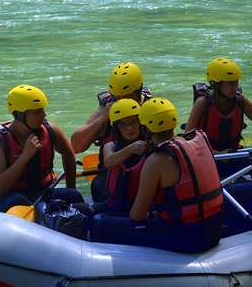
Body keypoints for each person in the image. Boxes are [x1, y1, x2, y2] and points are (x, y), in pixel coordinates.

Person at [89, 98, 224, 253]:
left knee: (99, 224)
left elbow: (137, 216)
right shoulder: (196, 141)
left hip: (188, 238)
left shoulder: (156, 160)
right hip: (214, 230)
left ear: (145, 128)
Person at [0, 84, 83, 212]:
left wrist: (71, 187)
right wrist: (25, 157)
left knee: (73, 196)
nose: (43, 115)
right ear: (19, 115)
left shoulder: (50, 129)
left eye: (42, 109)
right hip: (10, 197)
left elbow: (68, 154)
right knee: (19, 202)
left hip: (43, 192)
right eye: (36, 112)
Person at [70, 62, 152, 202]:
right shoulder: (106, 108)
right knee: (98, 185)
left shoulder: (151, 107)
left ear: (139, 92)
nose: (121, 101)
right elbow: (76, 146)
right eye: (117, 97)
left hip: (147, 172)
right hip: (112, 174)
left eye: (127, 97)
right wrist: (103, 118)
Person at [184, 57, 252, 180]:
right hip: (208, 159)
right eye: (230, 83)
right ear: (216, 84)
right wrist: (216, 153)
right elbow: (188, 137)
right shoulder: (202, 103)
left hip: (232, 156)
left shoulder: (241, 102)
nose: (235, 87)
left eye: (236, 82)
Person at [97, 99, 152, 214]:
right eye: (123, 124)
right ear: (116, 127)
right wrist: (131, 148)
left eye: (133, 122)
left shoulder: (150, 144)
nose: (129, 129)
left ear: (140, 122)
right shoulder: (110, 146)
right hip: (117, 204)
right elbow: (108, 162)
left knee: (98, 224)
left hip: (142, 208)